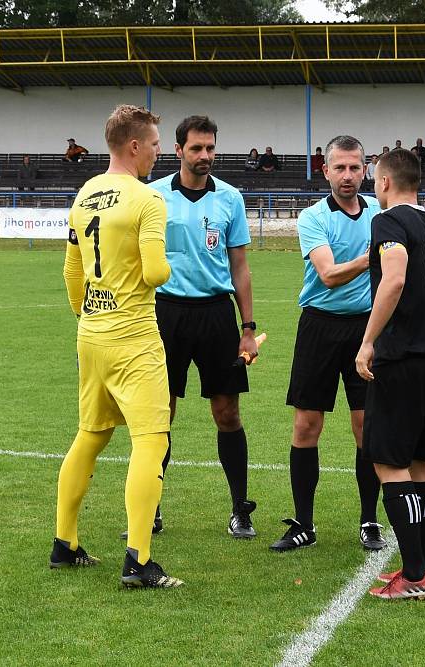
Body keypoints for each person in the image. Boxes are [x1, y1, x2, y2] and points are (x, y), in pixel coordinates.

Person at [50, 104, 183, 589]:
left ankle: (65, 543)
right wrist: (171, 265)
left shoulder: (85, 194)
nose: (156, 153)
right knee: (151, 439)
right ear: (133, 145)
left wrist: (85, 311)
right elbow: (153, 273)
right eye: (152, 144)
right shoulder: (147, 200)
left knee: (91, 433)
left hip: (92, 332)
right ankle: (139, 559)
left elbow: (70, 271)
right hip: (134, 336)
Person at [271, 135, 386, 553]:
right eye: (340, 168)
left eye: (356, 168)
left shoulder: (379, 212)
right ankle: (304, 522)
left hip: (366, 329)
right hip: (319, 327)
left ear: (366, 170)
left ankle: (369, 520)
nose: (349, 176)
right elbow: (329, 275)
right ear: (326, 171)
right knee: (306, 425)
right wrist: (372, 256)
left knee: (365, 427)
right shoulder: (312, 218)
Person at [148, 115, 259, 539]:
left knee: (227, 412)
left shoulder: (230, 198)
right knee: (161, 415)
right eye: (196, 148)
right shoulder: (152, 196)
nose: (205, 156)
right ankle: (150, 508)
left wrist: (247, 327)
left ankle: (240, 509)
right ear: (178, 151)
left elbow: (240, 267)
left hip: (216, 315)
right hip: (165, 314)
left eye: (210, 148)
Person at [354, 148, 425, 600]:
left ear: (385, 182)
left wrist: (368, 340)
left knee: (388, 462)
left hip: (402, 355)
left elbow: (394, 280)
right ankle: (421, 566)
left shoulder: (389, 222)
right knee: (420, 463)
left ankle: (414, 575)